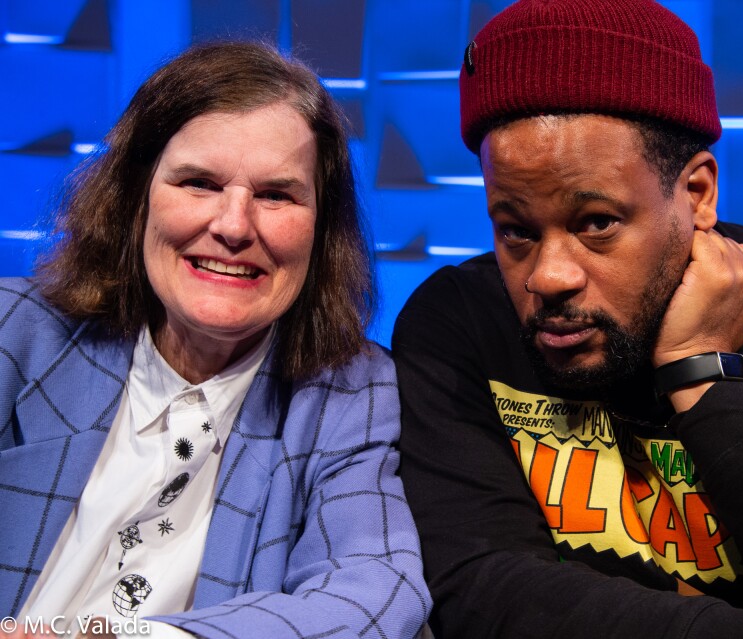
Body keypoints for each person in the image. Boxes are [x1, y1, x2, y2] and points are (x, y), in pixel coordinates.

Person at [391, 1, 743, 638]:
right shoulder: (456, 326)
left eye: (596, 223)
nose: (547, 276)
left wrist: (704, 380)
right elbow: (478, 592)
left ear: (696, 195)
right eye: (516, 230)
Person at [0, 41, 429, 638]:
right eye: (199, 183)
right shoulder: (12, 330)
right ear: (136, 198)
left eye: (276, 195)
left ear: (321, 230)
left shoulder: (349, 393)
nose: (233, 226)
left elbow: (378, 592)